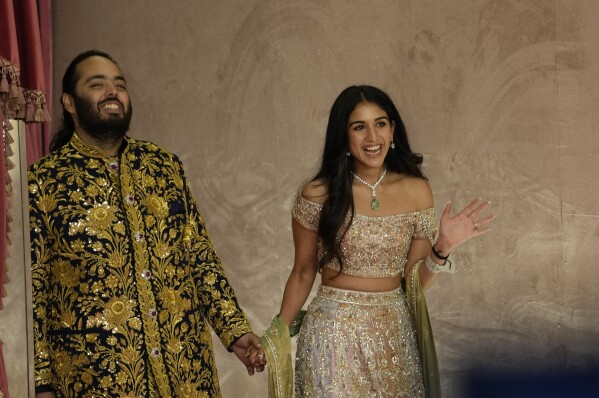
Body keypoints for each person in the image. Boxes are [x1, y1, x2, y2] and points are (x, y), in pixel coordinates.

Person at [28, 49, 265, 398]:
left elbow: (199, 256)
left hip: (185, 372)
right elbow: (36, 289)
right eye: (98, 84)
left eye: (119, 84)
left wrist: (234, 330)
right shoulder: (44, 181)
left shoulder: (163, 166)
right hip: (96, 379)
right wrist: (42, 382)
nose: (113, 91)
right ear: (69, 102)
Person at [263, 85, 494, 397]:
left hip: (392, 336)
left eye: (380, 124)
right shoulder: (318, 194)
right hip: (332, 336)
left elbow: (414, 284)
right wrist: (274, 336)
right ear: (343, 136)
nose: (373, 138)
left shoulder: (416, 191)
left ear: (393, 129)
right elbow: (303, 272)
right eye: (359, 127)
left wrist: (444, 247)